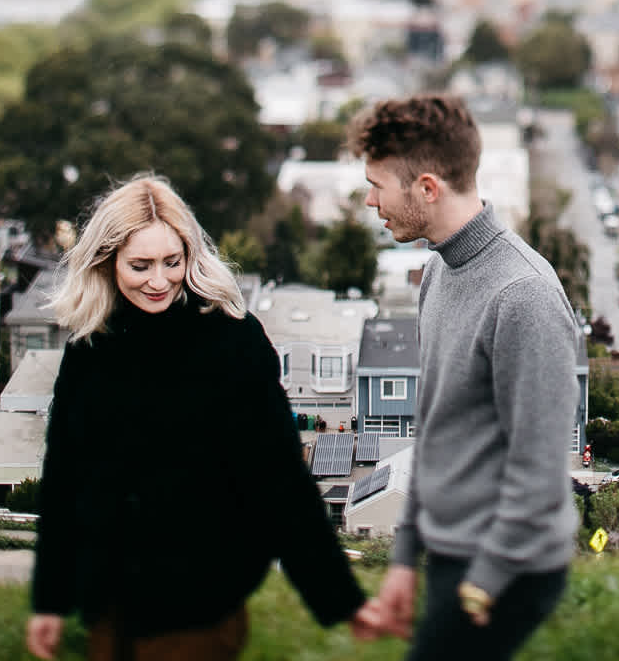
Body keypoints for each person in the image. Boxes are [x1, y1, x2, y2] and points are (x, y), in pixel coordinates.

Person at [25, 174, 375, 660]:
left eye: (173, 262)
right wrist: (51, 601)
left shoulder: (232, 342)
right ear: (107, 262)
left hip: (197, 609)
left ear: (191, 256)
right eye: (140, 265)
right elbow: (64, 477)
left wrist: (337, 596)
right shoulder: (90, 348)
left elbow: (279, 479)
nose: (159, 280)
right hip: (109, 606)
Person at [348, 95, 580, 660]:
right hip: (455, 553)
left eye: (378, 184)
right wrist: (405, 560)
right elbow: (433, 431)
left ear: (428, 188)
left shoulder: (523, 295)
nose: (370, 199)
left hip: (511, 564)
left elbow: (542, 465)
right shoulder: (438, 273)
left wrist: (482, 583)